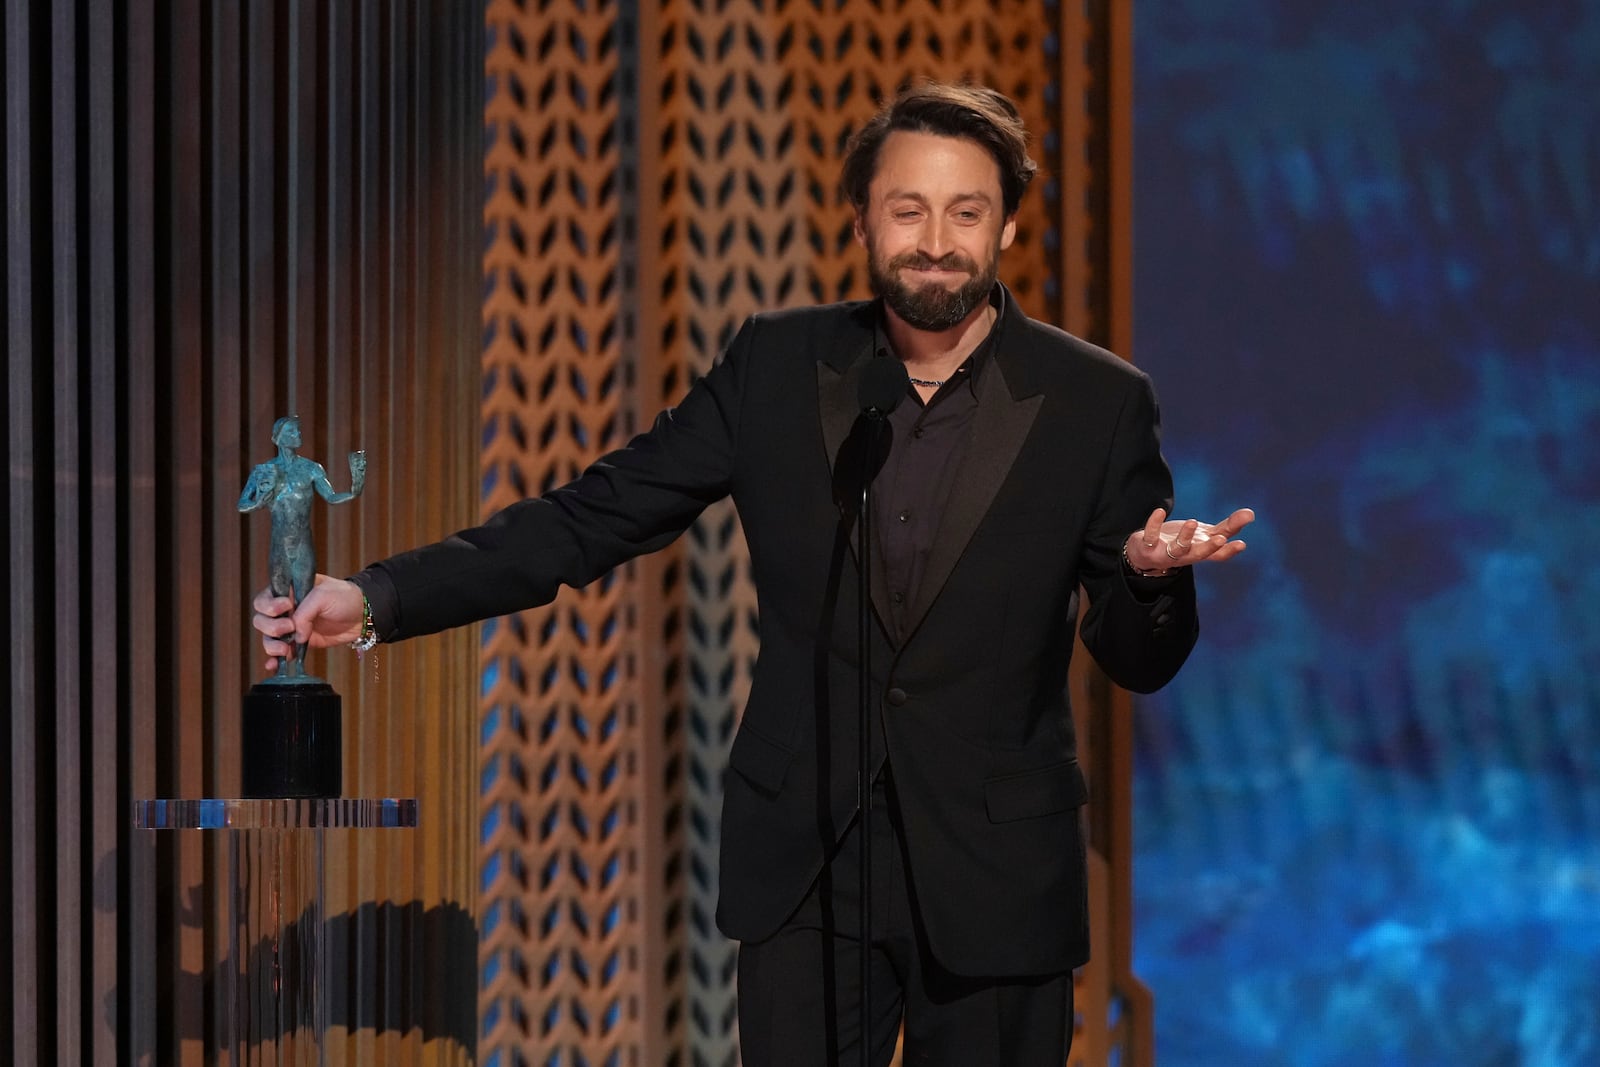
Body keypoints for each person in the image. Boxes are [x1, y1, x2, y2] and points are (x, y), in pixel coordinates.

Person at [254, 82, 1253, 1065]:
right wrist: (377, 598)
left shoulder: (1095, 400)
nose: (936, 238)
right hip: (806, 866)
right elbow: (593, 516)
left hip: (996, 878)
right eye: (908, 208)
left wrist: (1147, 578)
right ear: (862, 217)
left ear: (1005, 228)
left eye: (966, 211)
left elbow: (1136, 660)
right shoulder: (779, 366)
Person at [239, 415, 366, 679]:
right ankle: (282, 666)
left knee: (306, 603)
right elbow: (244, 504)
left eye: (299, 430)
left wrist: (355, 488)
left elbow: (331, 496)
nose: (299, 434)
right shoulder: (265, 471)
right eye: (293, 431)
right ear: (279, 437)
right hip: (279, 546)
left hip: (303, 545)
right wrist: (262, 497)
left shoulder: (311, 469)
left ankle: (300, 666)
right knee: (281, 602)